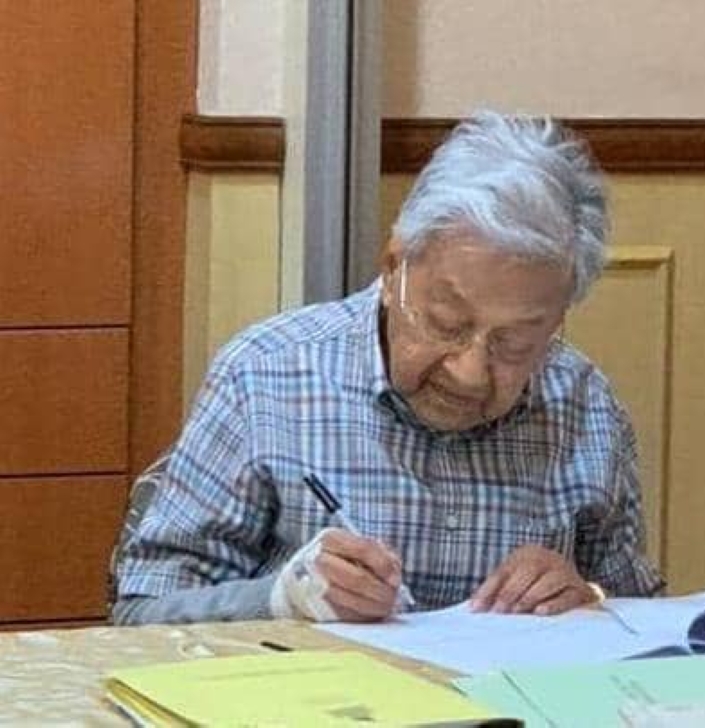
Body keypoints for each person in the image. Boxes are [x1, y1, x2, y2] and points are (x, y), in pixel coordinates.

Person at [111, 110, 664, 625]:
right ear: (394, 267)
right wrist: (281, 596)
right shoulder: (266, 377)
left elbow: (645, 622)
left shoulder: (586, 405)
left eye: (514, 343)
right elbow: (139, 613)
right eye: (446, 324)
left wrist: (587, 601)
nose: (469, 372)